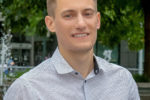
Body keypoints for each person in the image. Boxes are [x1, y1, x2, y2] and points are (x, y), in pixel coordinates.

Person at [4, 0, 140, 100]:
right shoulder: (26, 90)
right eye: (69, 15)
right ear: (51, 24)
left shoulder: (123, 81)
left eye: (87, 14)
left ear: (97, 20)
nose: (81, 24)